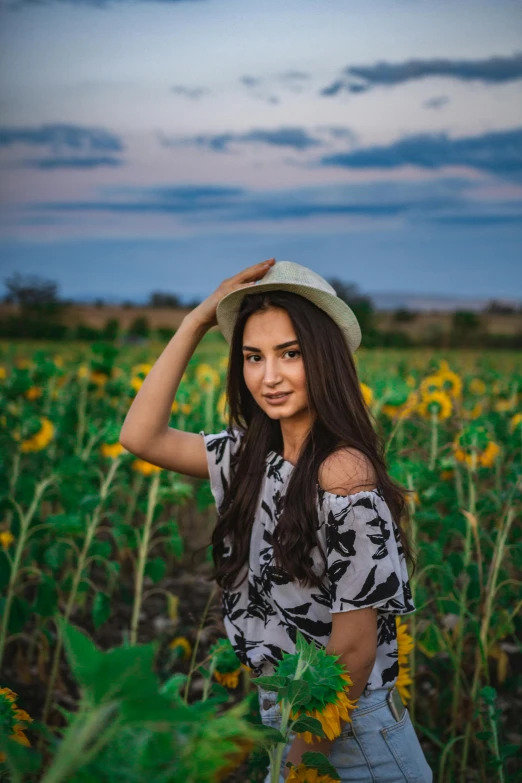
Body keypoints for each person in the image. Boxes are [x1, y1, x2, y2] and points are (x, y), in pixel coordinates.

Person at [119, 258, 433, 783]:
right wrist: (195, 321)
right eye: (252, 356)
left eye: (290, 354)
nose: (269, 376)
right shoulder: (249, 458)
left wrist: (297, 764)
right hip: (294, 717)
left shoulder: (341, 474)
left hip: (349, 737)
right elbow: (141, 437)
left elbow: (353, 650)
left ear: (325, 358)